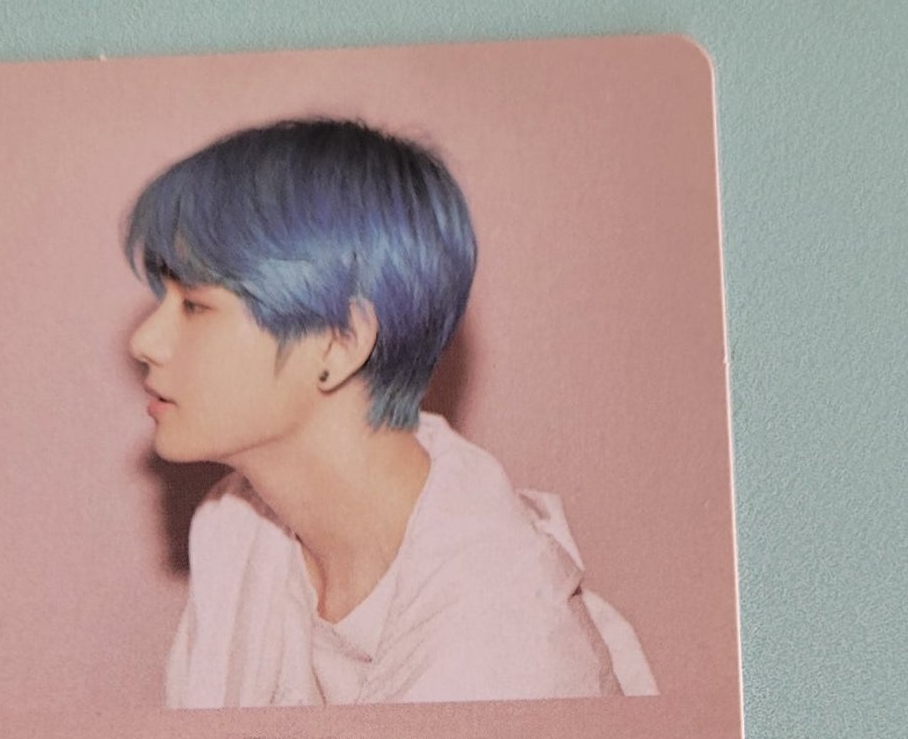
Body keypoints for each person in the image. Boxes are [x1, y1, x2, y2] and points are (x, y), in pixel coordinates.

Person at [123, 119, 657, 707]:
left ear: (339, 342)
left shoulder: (504, 635)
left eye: (195, 305)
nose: (145, 341)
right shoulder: (235, 528)